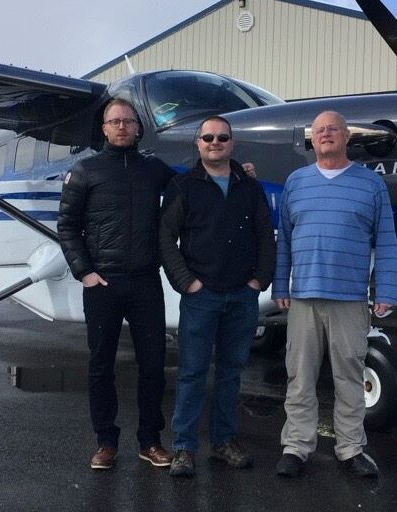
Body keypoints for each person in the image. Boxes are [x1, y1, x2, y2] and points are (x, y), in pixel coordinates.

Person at [272, 111, 397, 478]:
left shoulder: (371, 185)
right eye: (319, 130)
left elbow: (386, 241)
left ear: (346, 137)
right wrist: (280, 285)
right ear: (313, 140)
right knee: (299, 378)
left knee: (350, 378)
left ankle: (350, 449)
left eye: (333, 129)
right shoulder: (296, 183)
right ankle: (296, 447)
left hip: (350, 300)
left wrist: (386, 289)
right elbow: (285, 242)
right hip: (304, 298)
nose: (326, 134)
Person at [57, 98, 174, 470]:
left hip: (145, 282)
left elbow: (195, 186)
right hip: (102, 284)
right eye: (115, 121)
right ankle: (106, 442)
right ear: (104, 129)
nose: (122, 126)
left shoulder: (154, 170)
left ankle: (150, 441)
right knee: (100, 366)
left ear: (138, 128)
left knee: (153, 366)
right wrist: (85, 272)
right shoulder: (85, 171)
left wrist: (238, 170)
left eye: (128, 121)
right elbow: (67, 226)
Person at [159, 115, 276, 477]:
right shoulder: (183, 187)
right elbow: (165, 238)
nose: (215, 143)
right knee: (192, 372)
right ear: (198, 144)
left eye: (222, 137)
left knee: (231, 372)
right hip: (201, 296)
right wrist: (186, 282)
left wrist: (259, 280)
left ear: (232, 143)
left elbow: (265, 236)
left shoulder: (249, 187)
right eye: (208, 137)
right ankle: (184, 447)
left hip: (242, 296)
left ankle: (224, 441)